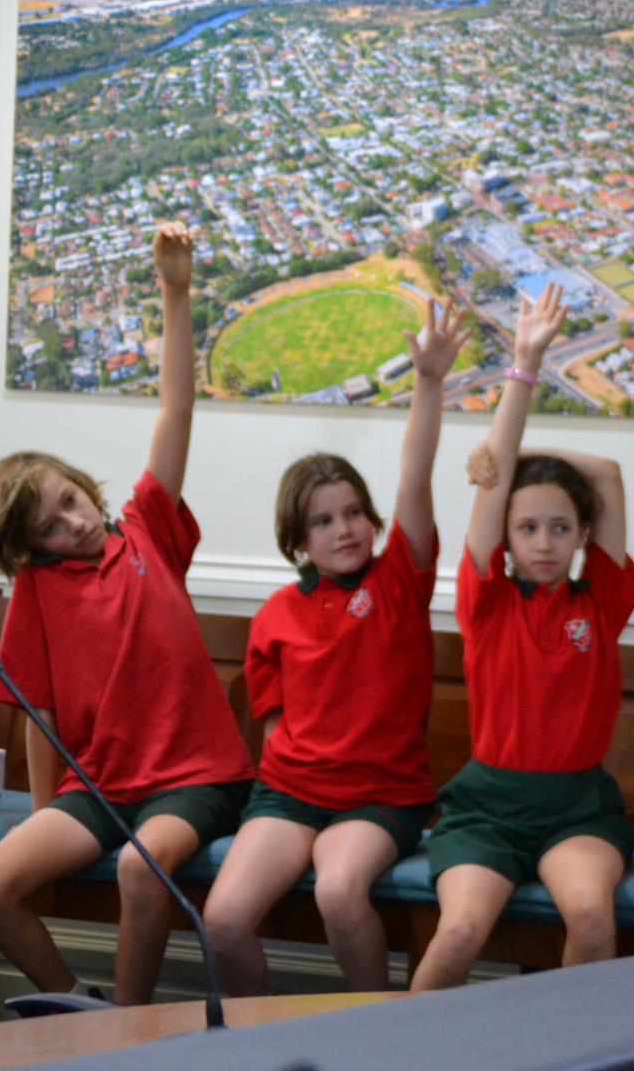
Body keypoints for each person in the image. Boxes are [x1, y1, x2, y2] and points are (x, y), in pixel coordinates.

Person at [0, 223, 255, 1005]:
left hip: (197, 779)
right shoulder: (37, 594)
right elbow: (38, 711)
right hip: (96, 789)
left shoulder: (147, 531)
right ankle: (77, 1012)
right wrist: (37, 818)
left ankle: (128, 1024)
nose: (75, 522)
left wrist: (176, 292)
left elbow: (176, 412)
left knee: (140, 866)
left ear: (84, 484)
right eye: (50, 527)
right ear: (28, 550)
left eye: (71, 499)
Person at [203, 301, 470, 994]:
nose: (344, 529)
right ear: (298, 542)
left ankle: (372, 1036)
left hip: (381, 798)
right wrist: (288, 781)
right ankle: (257, 1044)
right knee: (224, 920)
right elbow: (271, 725)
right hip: (289, 796)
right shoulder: (276, 616)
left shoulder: (399, 581)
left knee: (338, 891)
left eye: (354, 513)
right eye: (323, 521)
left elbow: (417, 475)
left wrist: (429, 381)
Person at [409, 284, 634, 989]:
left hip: (577, 809)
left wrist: (513, 455)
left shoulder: (600, 602)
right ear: (506, 541)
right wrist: (520, 376)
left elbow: (605, 475)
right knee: (458, 931)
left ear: (580, 538)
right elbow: (495, 493)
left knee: (591, 914)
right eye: (527, 528)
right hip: (486, 809)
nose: (544, 543)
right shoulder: (487, 602)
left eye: (560, 528)